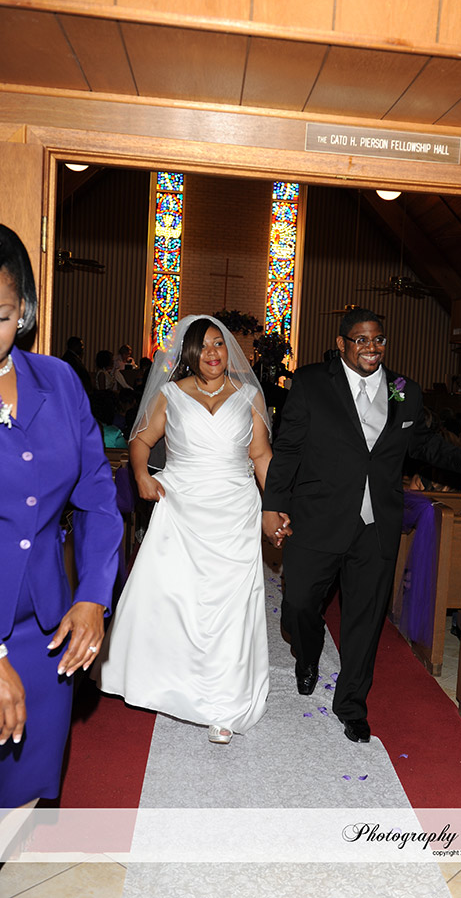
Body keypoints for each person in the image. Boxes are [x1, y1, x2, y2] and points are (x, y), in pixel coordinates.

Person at [262, 307, 461, 744]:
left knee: (365, 620)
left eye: (378, 339)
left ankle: (351, 705)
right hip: (318, 518)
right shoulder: (310, 382)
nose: (371, 347)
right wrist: (273, 506)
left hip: (376, 523)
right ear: (342, 343)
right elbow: (287, 448)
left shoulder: (404, 389)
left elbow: (421, 442)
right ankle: (307, 653)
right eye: (361, 339)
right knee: (299, 604)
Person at [94, 315, 273, 745]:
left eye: (219, 344)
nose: (213, 352)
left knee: (231, 607)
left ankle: (224, 705)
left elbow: (262, 455)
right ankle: (169, 680)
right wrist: (141, 475)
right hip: (181, 507)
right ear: (189, 354)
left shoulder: (249, 395)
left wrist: (276, 506)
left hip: (235, 511)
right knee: (178, 600)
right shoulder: (170, 394)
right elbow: (140, 440)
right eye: (203, 346)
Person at [0, 224, 122, 807]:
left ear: (23, 309)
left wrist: (93, 595)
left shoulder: (59, 380)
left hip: (47, 632)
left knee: (25, 792)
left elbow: (97, 495)